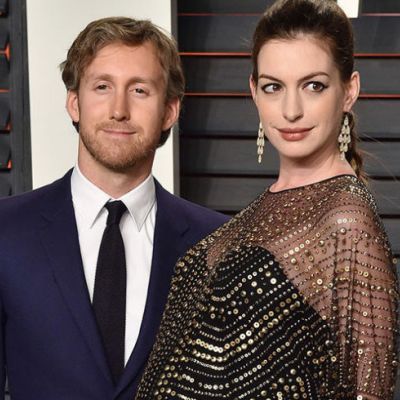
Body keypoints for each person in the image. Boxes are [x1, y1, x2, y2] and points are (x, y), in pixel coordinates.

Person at [135, 1, 399, 399]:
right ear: (254, 92)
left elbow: (368, 388)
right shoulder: (262, 207)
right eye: (274, 87)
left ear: (349, 91)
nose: (291, 111)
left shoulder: (348, 222)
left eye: (314, 86)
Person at [0, 17, 228, 400]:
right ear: (75, 103)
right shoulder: (7, 231)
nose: (119, 110)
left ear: (170, 111)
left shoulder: (217, 243)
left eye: (139, 90)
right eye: (102, 87)